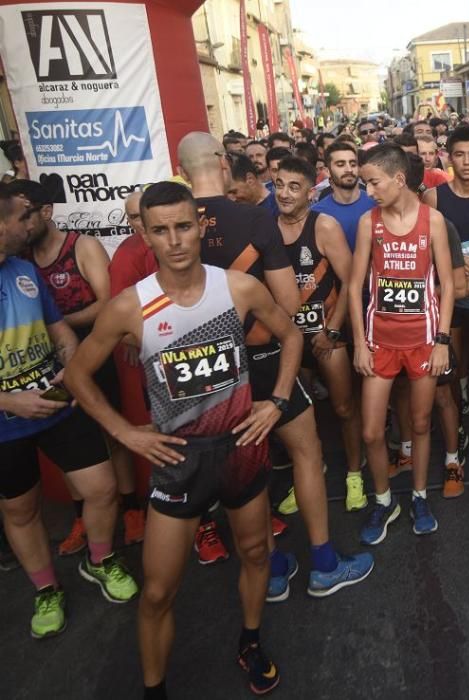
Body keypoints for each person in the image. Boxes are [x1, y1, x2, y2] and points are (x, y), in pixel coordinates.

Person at [64, 181, 296, 698]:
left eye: (184, 226)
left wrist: (277, 400)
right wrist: (123, 431)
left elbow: (293, 333)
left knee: (256, 553)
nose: (175, 241)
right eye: (161, 230)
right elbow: (78, 374)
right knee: (158, 592)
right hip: (178, 459)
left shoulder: (237, 288)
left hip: (240, 446)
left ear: (199, 226)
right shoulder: (131, 306)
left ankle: (250, 640)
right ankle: (155, 690)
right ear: (144, 234)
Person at [178, 133, 371, 599]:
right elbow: (286, 301)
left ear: (182, 171)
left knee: (244, 467)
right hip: (262, 355)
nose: (282, 193)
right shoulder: (252, 220)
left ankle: (270, 568)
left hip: (201, 368)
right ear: (223, 164)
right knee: (305, 452)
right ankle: (323, 562)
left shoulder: (173, 225)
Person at [0, 185, 138, 642]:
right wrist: (9, 401)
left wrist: (70, 367)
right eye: (19, 218)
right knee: (20, 509)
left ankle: (100, 561)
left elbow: (58, 329)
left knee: (101, 488)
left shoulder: (23, 270)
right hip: (5, 422)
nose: (27, 225)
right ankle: (45, 590)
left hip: (58, 404)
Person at [348, 144, 454, 542]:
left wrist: (442, 340)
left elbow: (445, 286)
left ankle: (420, 496)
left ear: (397, 178)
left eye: (373, 182)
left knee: (422, 423)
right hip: (380, 341)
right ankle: (383, 500)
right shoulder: (367, 223)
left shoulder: (434, 221)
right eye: (364, 184)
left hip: (424, 340)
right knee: (373, 431)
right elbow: (354, 285)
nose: (368, 191)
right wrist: (359, 342)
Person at [274, 157, 366, 512]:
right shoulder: (267, 228)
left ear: (310, 193)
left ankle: (354, 474)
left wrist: (331, 330)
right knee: (301, 415)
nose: (284, 193)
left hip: (329, 336)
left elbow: (349, 281)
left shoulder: (323, 226)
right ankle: (309, 473)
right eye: (279, 184)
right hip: (291, 340)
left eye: (294, 186)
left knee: (343, 407)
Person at [422, 126, 469, 470]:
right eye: (460, 155)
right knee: (452, 364)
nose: (467, 161)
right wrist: (453, 265)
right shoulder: (434, 197)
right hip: (447, 294)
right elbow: (427, 250)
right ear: (449, 158)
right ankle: (458, 430)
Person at [312, 141, 375, 253]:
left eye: (353, 164)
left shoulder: (376, 204)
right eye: (340, 164)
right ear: (327, 171)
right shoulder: (315, 214)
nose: (349, 169)